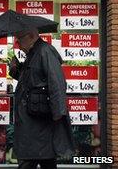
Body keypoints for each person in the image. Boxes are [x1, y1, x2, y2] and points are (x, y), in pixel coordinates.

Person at [9, 29, 75, 169]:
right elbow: (32, 81)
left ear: (32, 35)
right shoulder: (32, 54)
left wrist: (58, 113)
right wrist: (16, 69)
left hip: (39, 122)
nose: (18, 44)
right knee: (44, 159)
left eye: (20, 39)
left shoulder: (45, 51)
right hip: (32, 121)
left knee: (33, 159)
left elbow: (57, 82)